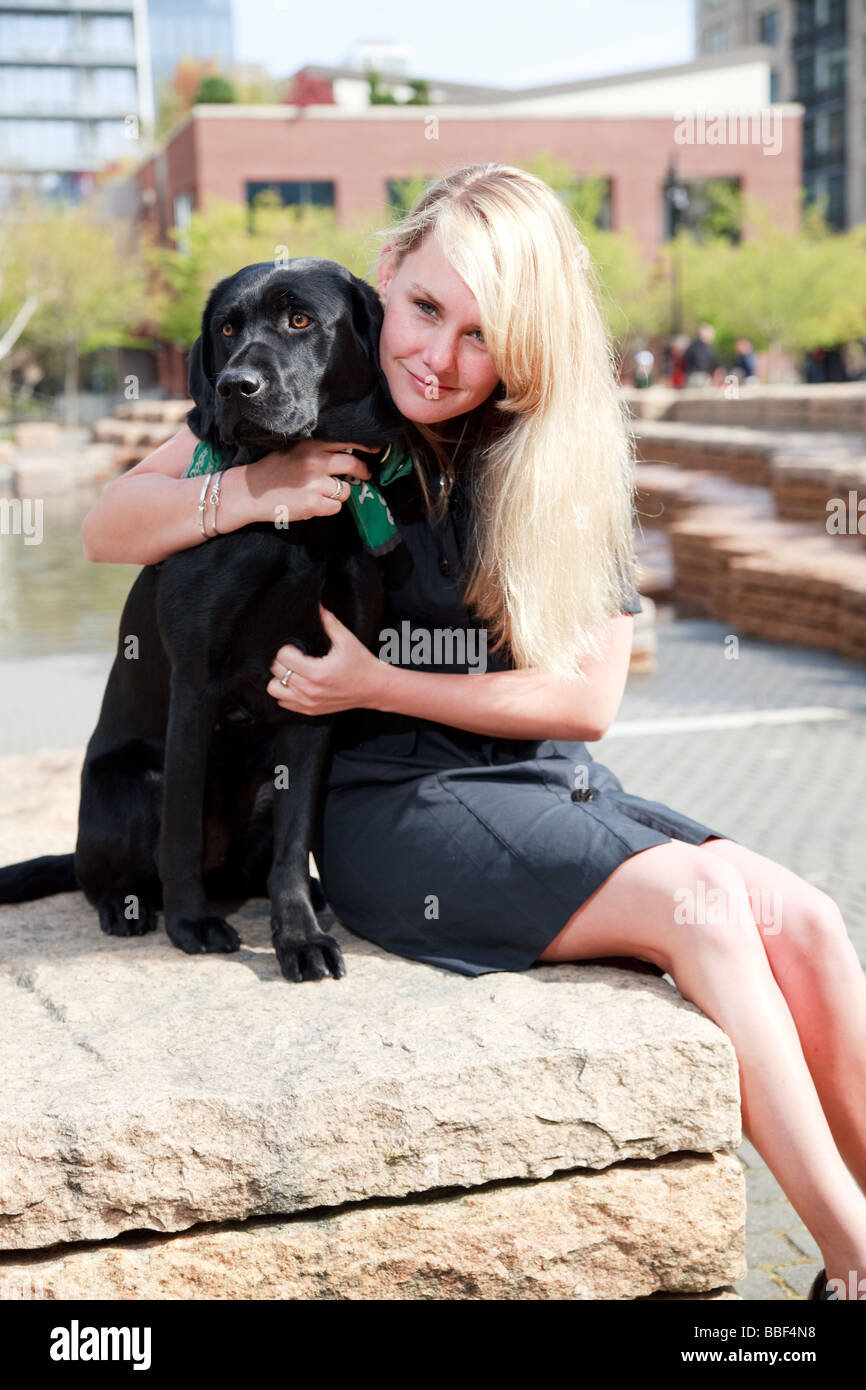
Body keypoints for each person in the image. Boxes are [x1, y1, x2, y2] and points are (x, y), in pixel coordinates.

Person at [81, 163, 866, 1300]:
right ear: (386, 279)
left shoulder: (553, 451)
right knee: (702, 908)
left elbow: (583, 705)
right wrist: (255, 490)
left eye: (482, 335)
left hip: (540, 782)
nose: (437, 357)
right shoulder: (320, 404)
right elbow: (110, 524)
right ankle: (849, 1260)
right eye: (427, 308)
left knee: (806, 915)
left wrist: (373, 681)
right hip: (392, 810)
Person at [682, 323, 720, 387]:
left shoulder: (692, 346)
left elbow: (686, 360)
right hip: (702, 377)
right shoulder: (709, 349)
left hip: (694, 376)